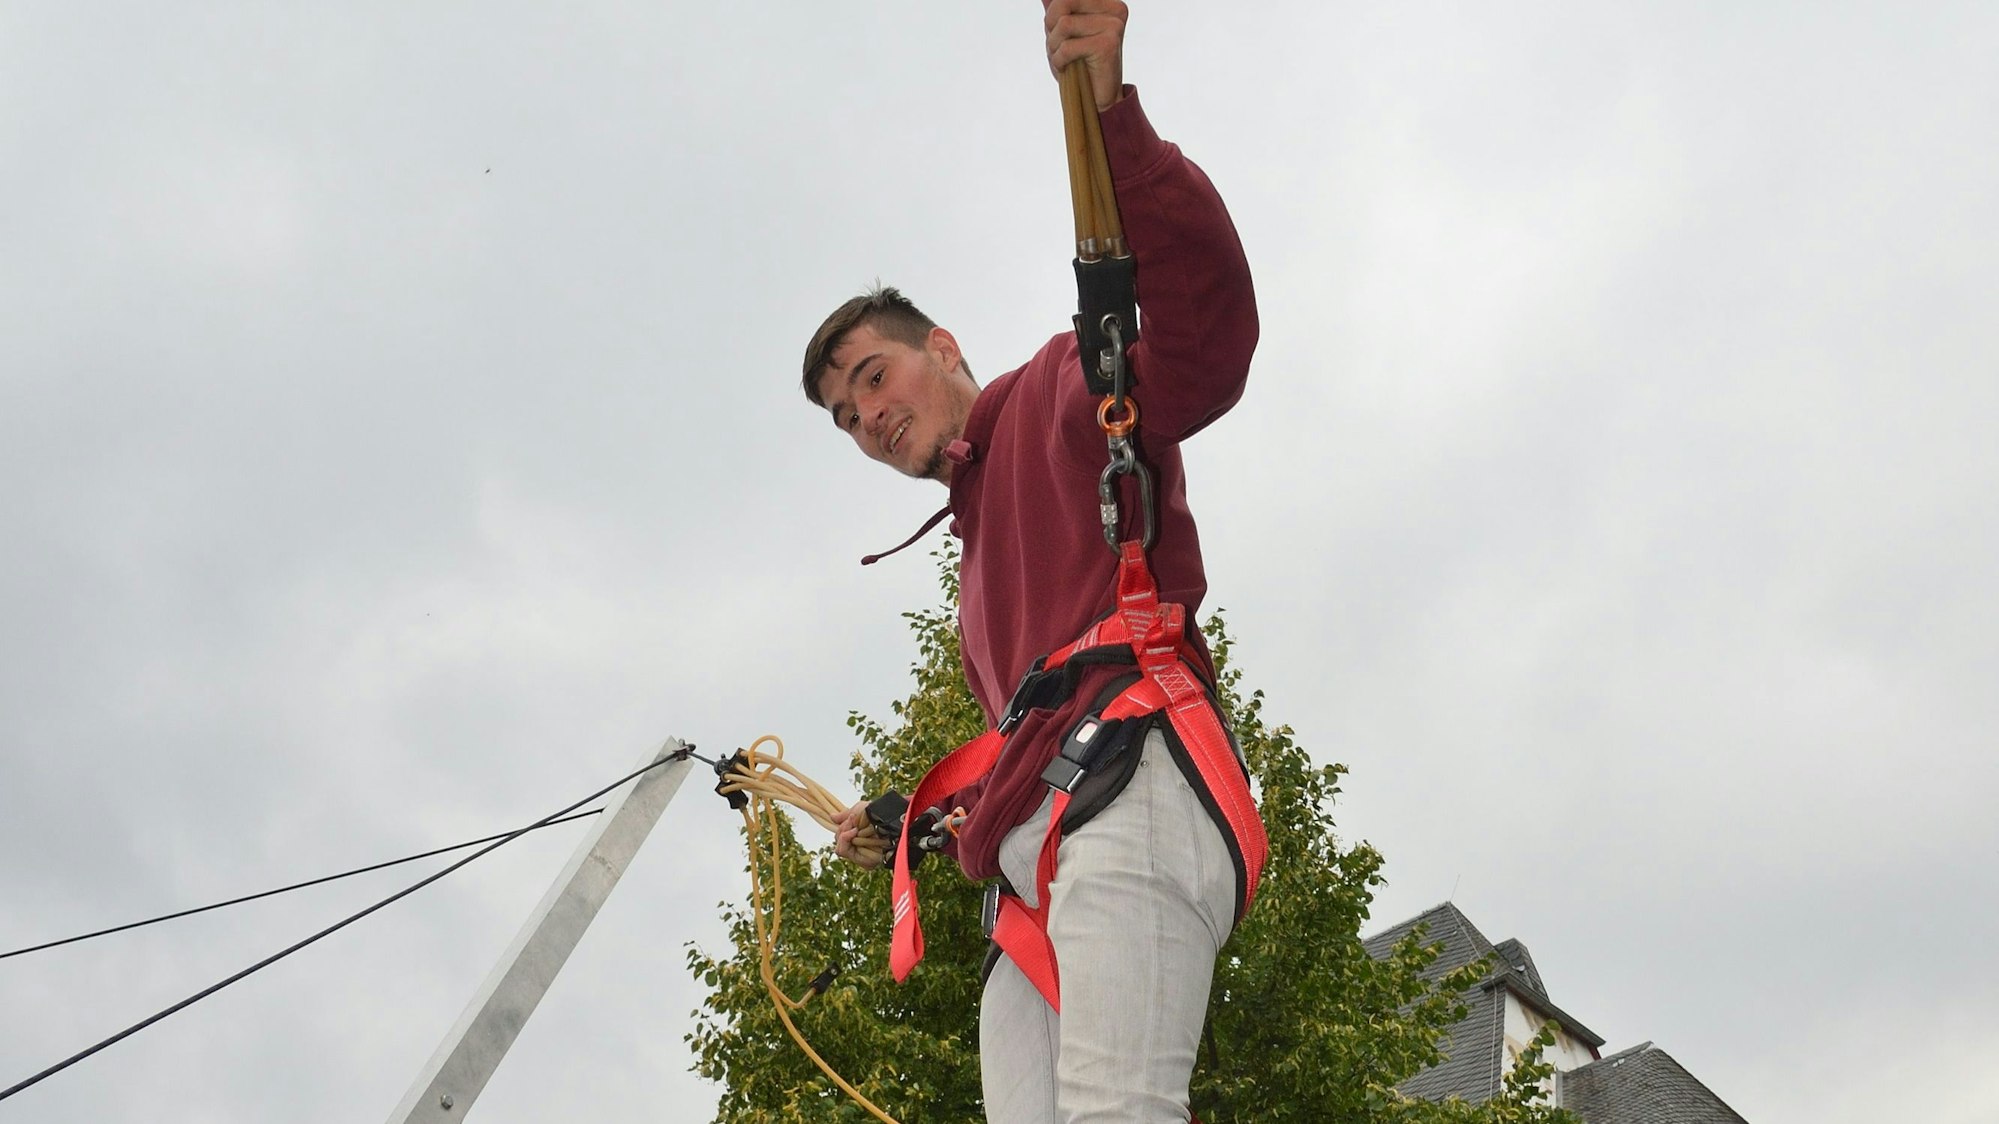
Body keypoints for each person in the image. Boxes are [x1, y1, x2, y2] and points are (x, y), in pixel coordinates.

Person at [808, 2, 1259, 1120]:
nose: (863, 417)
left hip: (1129, 784)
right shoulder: (977, 564)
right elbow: (1028, 737)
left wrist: (1113, 117)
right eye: (841, 413)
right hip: (1029, 864)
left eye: (872, 376)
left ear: (943, 348)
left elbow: (1204, 347)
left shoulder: (1066, 389)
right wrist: (925, 822)